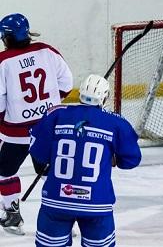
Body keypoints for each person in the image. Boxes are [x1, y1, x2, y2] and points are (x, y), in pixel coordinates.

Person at [29, 74, 142, 246]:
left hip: (56, 200)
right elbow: (131, 160)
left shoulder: (56, 114)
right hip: (96, 203)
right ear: (105, 97)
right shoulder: (116, 123)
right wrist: (113, 159)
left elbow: (38, 152)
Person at [0, 13, 73, 235]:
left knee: (5, 171)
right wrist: (47, 108)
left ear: (7, 37)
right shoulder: (47, 51)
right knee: (54, 174)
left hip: (17, 132)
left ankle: (13, 217)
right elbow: (67, 83)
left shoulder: (2, 62)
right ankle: (63, 221)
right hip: (48, 129)